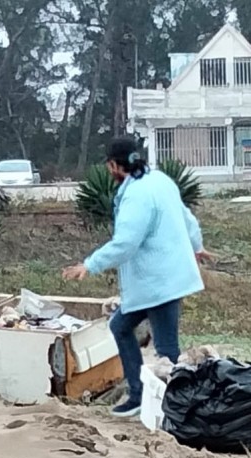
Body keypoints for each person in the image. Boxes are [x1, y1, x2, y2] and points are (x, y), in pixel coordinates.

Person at [62, 137, 213, 417]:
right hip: (159, 280)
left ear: (113, 166)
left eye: (109, 167)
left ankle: (170, 407)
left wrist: (89, 265)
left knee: (166, 349)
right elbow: (187, 218)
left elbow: (126, 243)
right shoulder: (160, 180)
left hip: (158, 282)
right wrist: (197, 245)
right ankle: (141, 394)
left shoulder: (137, 195)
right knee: (121, 327)